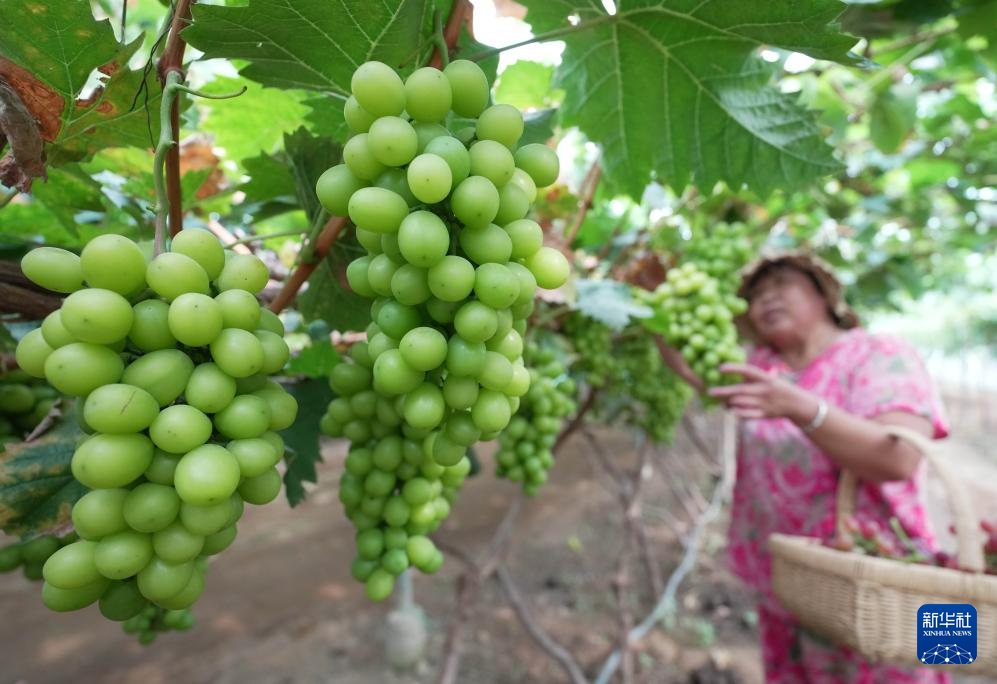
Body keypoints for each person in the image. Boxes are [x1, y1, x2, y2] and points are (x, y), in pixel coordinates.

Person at [657, 250, 949, 683]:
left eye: (781, 283)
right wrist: (656, 307)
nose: (766, 298)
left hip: (878, 582)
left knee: (908, 669)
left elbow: (900, 459)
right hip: (788, 582)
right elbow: (694, 369)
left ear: (824, 297)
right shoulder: (761, 368)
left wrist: (803, 409)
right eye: (756, 294)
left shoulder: (879, 353)